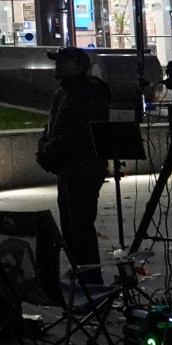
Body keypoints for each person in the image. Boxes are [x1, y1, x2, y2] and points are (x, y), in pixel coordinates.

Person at [38, 45, 112, 288]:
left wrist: (51, 148)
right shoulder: (63, 92)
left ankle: (91, 279)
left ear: (79, 66)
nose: (57, 65)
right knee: (70, 228)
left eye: (62, 61)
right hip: (67, 169)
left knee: (80, 228)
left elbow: (83, 133)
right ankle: (81, 274)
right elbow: (53, 125)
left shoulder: (89, 93)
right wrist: (44, 145)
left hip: (84, 170)